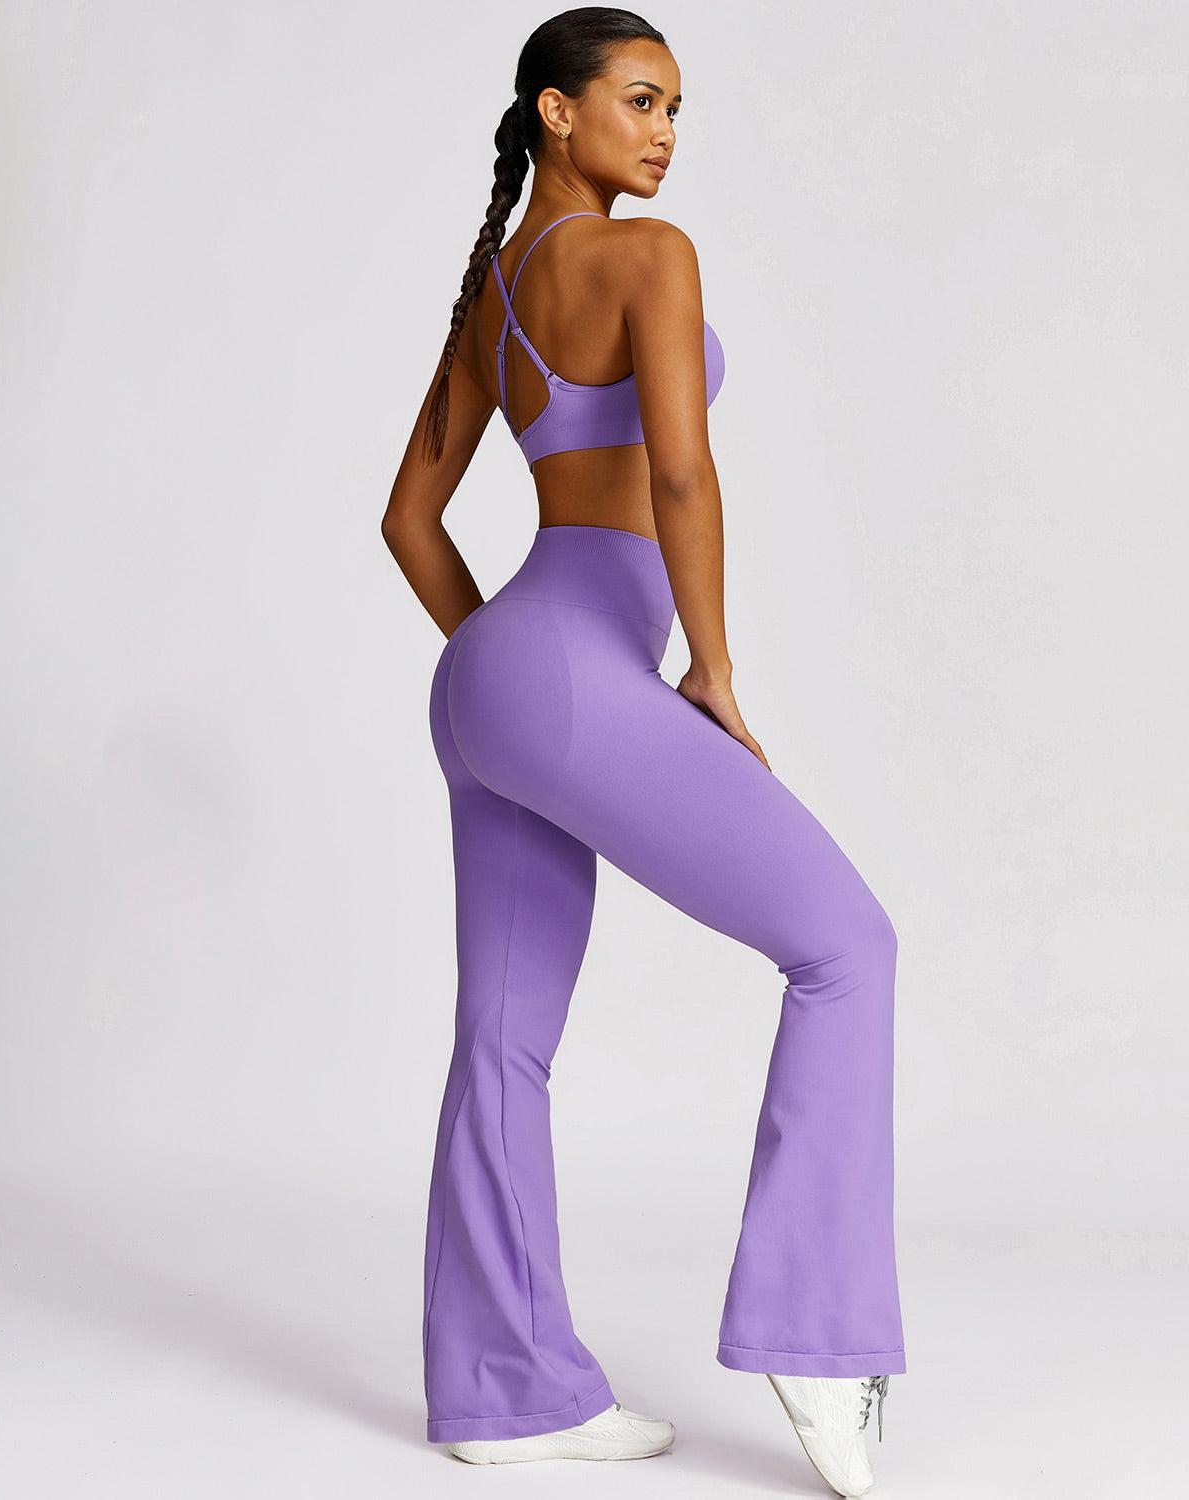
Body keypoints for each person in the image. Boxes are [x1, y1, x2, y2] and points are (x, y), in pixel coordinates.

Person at [382, 8, 906, 1495]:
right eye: (640, 99)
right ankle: (817, 1338)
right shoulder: (652, 258)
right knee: (847, 948)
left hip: (496, 674)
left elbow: (409, 522)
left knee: (503, 1038)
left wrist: (505, 677)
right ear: (557, 111)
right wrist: (712, 675)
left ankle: (505, 1393)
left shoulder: (493, 294)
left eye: (677, 108)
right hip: (571, 667)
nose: (667, 132)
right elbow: (681, 471)